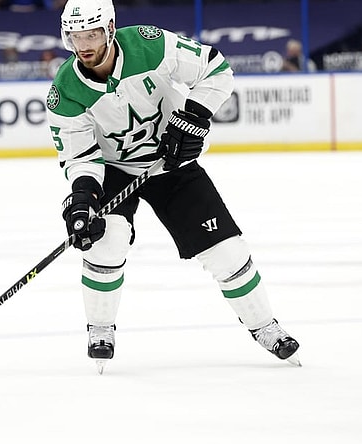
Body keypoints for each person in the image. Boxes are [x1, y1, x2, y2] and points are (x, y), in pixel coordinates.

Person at [45, 0, 300, 373]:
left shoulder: (149, 45)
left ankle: (265, 327)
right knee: (106, 240)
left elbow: (216, 69)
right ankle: (100, 328)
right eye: (75, 36)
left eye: (92, 34)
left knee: (227, 251)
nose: (83, 45)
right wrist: (83, 197)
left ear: (110, 28)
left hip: (172, 161)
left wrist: (193, 117)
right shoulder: (65, 90)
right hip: (114, 170)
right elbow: (80, 156)